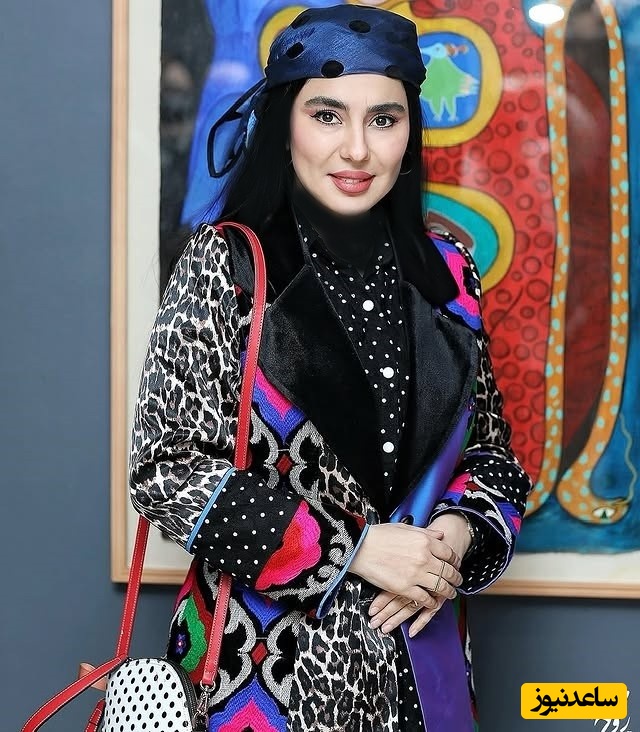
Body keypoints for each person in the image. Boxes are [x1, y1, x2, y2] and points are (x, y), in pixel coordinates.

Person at [129, 5, 532, 731]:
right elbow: (165, 469)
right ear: (285, 123)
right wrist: (354, 550)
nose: (356, 149)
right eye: (327, 115)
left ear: (410, 132)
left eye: (384, 119)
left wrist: (454, 538)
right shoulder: (228, 264)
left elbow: (491, 457)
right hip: (267, 680)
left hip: (420, 673)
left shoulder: (448, 272)